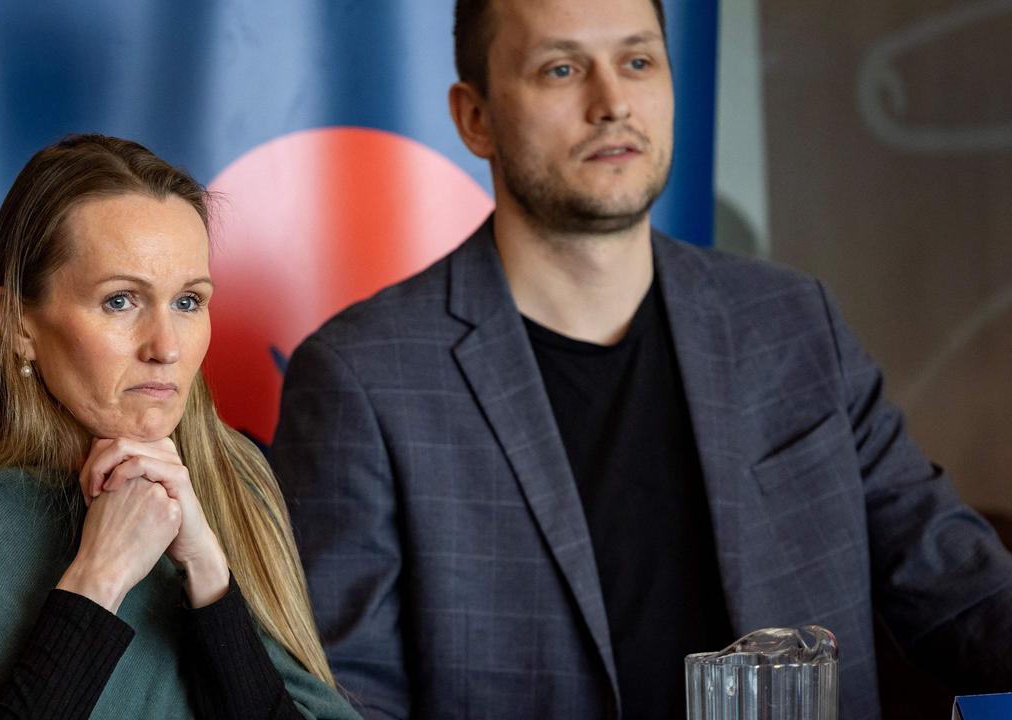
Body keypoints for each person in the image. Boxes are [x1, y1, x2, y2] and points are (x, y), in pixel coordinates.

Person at [270, 0, 1012, 718]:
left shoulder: (790, 322)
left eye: (638, 61)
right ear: (476, 117)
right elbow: (344, 703)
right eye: (561, 70)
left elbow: (958, 588)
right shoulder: (364, 378)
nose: (612, 101)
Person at [0, 134, 361, 720]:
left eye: (188, 302)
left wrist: (210, 579)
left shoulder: (232, 473)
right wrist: (98, 578)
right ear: (16, 323)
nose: (165, 347)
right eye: (120, 301)